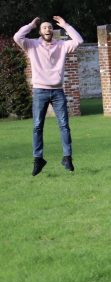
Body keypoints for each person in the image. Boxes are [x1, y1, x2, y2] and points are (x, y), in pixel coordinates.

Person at [13, 16, 84, 176]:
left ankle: (67, 158)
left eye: (50, 27)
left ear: (53, 31)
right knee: (37, 126)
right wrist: (30, 25)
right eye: (44, 27)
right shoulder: (32, 45)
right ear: (40, 31)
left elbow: (78, 40)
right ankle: (38, 159)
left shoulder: (61, 45)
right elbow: (17, 37)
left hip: (58, 91)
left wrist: (65, 25)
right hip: (39, 91)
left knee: (64, 125)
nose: (48, 29)